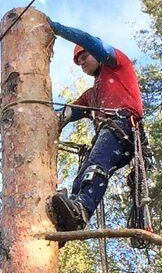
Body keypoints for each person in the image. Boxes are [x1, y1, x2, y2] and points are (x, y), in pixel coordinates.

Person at [47, 19, 150, 233]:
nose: (81, 63)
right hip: (112, 133)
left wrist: (57, 28)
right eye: (78, 61)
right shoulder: (91, 95)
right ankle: (69, 220)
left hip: (123, 126)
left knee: (95, 166)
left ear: (96, 53)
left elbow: (88, 40)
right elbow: (66, 112)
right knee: (84, 174)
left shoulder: (117, 63)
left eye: (84, 57)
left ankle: (81, 210)